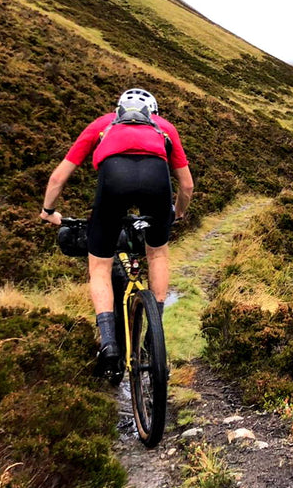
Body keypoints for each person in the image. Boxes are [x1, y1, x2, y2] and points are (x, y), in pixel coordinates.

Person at [39, 88, 194, 376]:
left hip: (112, 184)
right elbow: (186, 186)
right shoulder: (165, 128)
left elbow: (59, 176)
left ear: (119, 110)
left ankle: (108, 344)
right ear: (153, 113)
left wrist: (49, 211)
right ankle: (153, 330)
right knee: (157, 253)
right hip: (157, 183)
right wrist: (178, 212)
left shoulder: (103, 124)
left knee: (99, 265)